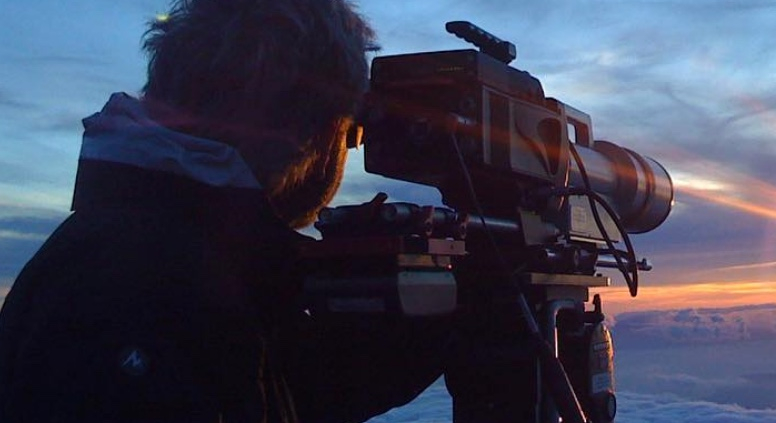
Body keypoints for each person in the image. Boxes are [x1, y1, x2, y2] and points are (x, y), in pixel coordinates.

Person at [0, 0, 447, 421]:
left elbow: (260, 390)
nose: (343, 152)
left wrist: (404, 328)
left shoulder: (160, 254)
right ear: (302, 129)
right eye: (352, 134)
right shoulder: (149, 289)